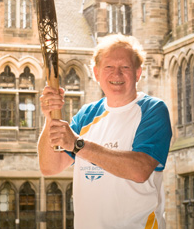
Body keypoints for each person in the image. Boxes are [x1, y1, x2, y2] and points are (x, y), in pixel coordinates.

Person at [38, 34, 172, 229]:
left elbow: (139, 170)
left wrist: (77, 145)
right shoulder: (87, 115)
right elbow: (49, 167)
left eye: (125, 67)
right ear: (96, 73)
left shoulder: (152, 110)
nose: (116, 75)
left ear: (138, 73)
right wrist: (50, 117)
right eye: (109, 67)